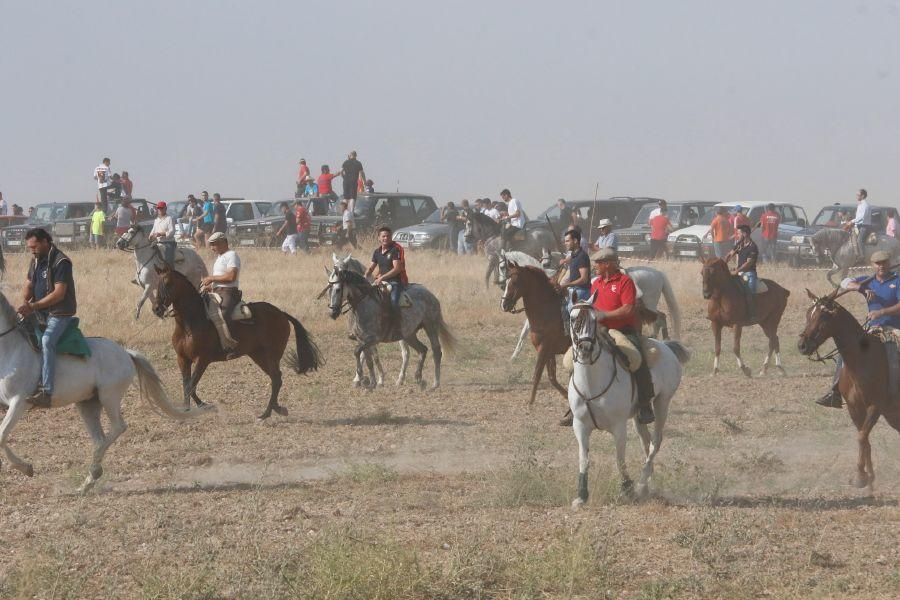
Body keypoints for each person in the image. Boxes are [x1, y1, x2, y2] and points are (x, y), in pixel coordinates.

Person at [816, 250, 900, 408]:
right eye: (877, 263)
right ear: (872, 265)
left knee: (892, 354)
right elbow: (844, 282)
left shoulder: (897, 281)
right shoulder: (868, 281)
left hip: (895, 329)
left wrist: (881, 312)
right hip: (873, 328)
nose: (881, 266)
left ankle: (894, 392)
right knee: (846, 349)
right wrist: (861, 289)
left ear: (889, 263)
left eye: (884, 262)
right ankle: (834, 392)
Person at [589, 248, 655, 424]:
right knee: (576, 357)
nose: (594, 266)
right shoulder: (596, 283)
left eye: (598, 263)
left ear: (608, 264)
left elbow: (628, 309)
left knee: (636, 358)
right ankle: (577, 403)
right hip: (599, 331)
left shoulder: (625, 282)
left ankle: (644, 404)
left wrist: (605, 315)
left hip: (624, 330)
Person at [16, 228, 78, 407]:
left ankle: (46, 390)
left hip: (59, 313)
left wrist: (33, 306)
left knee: (47, 341)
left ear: (45, 242)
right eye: (29, 248)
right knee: (14, 334)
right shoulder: (35, 261)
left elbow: (59, 294)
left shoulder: (61, 261)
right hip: (39, 312)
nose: (32, 250)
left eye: (34, 247)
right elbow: (28, 286)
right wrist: (24, 303)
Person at [200, 232, 241, 354]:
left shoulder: (231, 255)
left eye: (214, 245)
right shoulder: (219, 258)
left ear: (223, 243)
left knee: (223, 314)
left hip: (229, 292)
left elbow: (231, 277)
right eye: (211, 245)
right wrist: (210, 286)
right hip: (216, 291)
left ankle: (231, 346)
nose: (212, 248)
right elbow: (220, 278)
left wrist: (212, 279)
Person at [365, 226, 408, 338]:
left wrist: (382, 278)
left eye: (388, 236)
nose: (386, 238)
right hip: (380, 282)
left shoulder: (395, 250)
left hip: (394, 282)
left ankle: (397, 328)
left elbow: (397, 268)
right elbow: (371, 267)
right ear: (379, 238)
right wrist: (365, 276)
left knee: (393, 302)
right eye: (383, 236)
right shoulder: (377, 252)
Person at [724, 224, 759, 320]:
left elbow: (748, 264)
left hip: (749, 274)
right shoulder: (739, 244)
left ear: (744, 234)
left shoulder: (753, 247)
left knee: (750, 293)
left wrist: (737, 271)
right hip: (738, 272)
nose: (737, 235)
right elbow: (729, 255)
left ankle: (752, 314)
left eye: (738, 233)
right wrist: (723, 264)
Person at [556, 229, 591, 320]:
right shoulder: (574, 255)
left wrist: (566, 285)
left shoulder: (582, 256)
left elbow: (584, 279)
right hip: (573, 290)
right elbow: (569, 258)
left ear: (575, 241)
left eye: (567, 241)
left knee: (571, 314)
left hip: (581, 291)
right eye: (565, 241)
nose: (565, 243)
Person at [846, 188, 873, 257]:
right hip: (858, 226)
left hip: (864, 226)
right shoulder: (860, 205)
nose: (856, 196)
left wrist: (851, 222)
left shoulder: (865, 205)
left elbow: (861, 217)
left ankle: (862, 257)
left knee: (859, 241)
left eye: (858, 195)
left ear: (863, 196)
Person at [149, 201, 177, 266]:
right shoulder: (156, 220)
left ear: (165, 208)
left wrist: (161, 234)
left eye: (162, 208)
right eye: (158, 208)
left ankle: (171, 272)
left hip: (168, 243)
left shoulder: (169, 218)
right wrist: (150, 236)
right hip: (158, 242)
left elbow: (172, 231)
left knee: (168, 260)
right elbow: (152, 231)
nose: (160, 210)